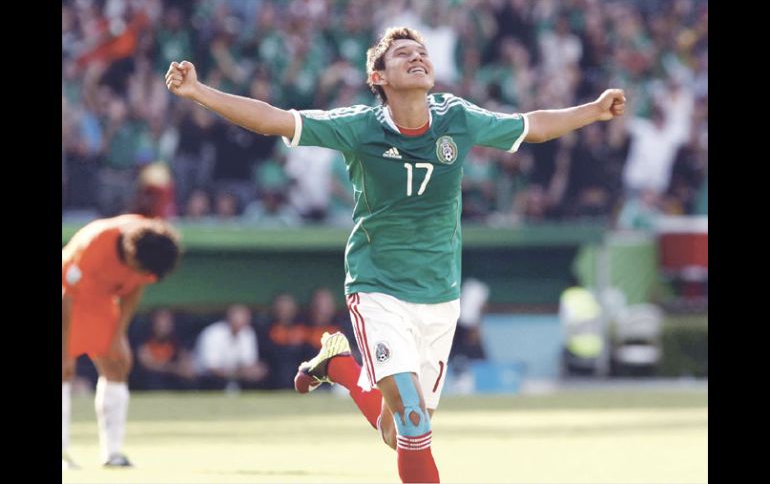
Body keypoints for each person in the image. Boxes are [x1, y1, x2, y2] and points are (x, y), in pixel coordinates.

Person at [165, 26, 625, 483]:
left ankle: (341, 367)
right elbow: (273, 119)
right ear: (378, 77)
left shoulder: (456, 118)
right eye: (403, 53)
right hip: (378, 289)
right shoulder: (360, 127)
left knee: (397, 430)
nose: (417, 57)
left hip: (440, 297)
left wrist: (594, 110)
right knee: (414, 423)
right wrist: (198, 91)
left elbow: (533, 127)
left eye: (421, 52)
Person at [62, 214, 181, 469]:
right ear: (130, 254)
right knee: (63, 370)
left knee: (118, 364)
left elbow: (135, 289)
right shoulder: (93, 247)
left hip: (100, 303)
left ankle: (113, 454)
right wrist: (64, 350)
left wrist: (117, 336)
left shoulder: (148, 250)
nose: (139, 274)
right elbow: (66, 297)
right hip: (67, 300)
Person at [193, 304, 268, 391]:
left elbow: (248, 363)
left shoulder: (248, 333)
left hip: (235, 375)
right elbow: (211, 368)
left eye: (246, 317)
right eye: (239, 317)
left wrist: (255, 370)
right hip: (208, 378)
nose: (243, 321)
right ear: (229, 317)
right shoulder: (213, 333)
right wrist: (236, 373)